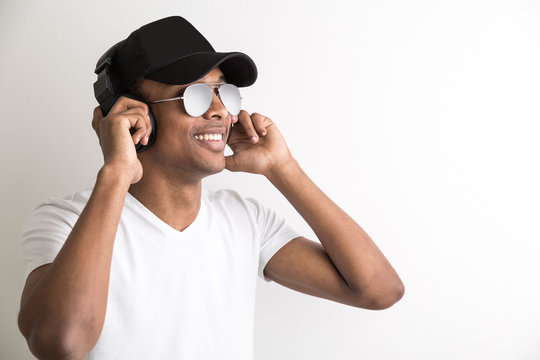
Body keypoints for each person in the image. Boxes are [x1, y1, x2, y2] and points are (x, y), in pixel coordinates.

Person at [17, 16, 404, 360]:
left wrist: (283, 168)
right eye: (194, 95)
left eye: (223, 92)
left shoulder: (245, 220)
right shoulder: (64, 222)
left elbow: (379, 290)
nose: (220, 110)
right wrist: (117, 171)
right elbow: (60, 344)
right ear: (133, 115)